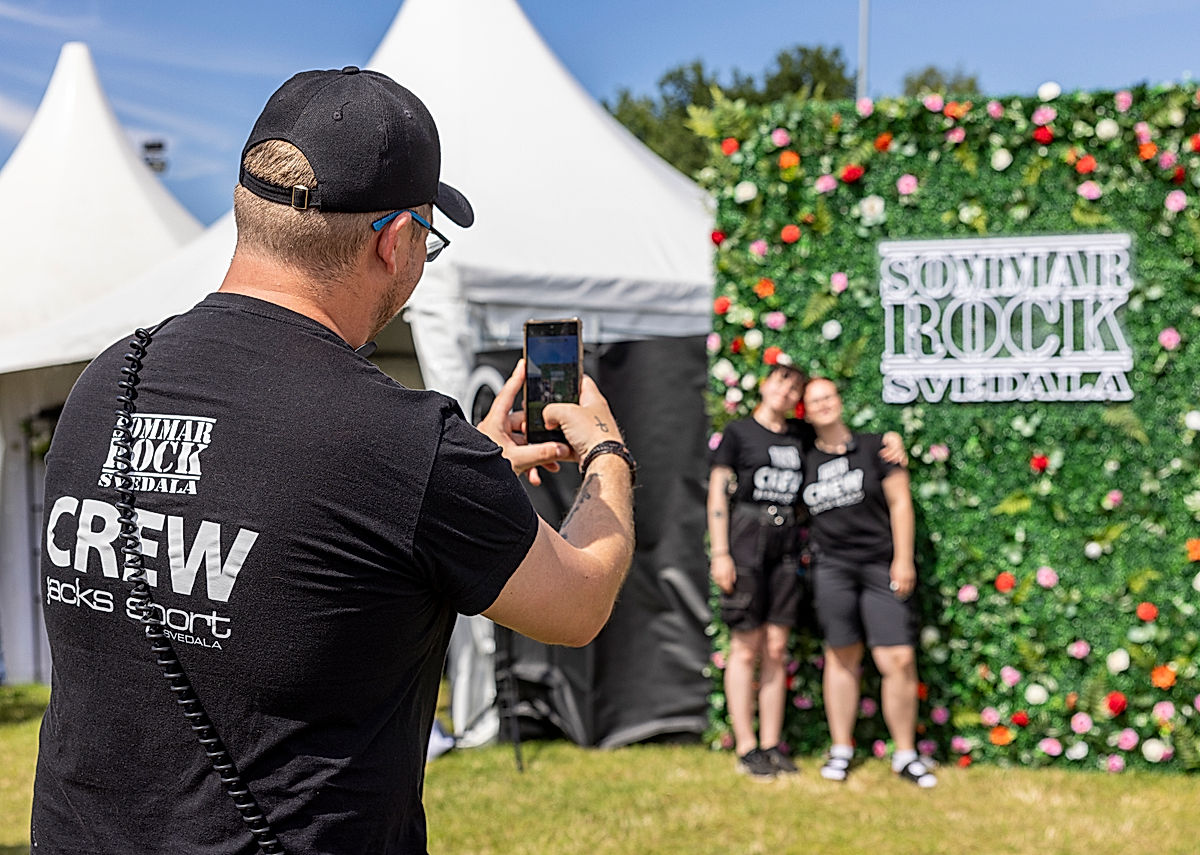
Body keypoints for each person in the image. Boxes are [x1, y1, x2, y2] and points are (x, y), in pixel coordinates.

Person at [31, 66, 636, 854]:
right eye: (428, 236)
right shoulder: (400, 440)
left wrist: (462, 474)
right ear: (393, 241)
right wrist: (607, 454)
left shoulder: (107, 378)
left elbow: (268, 507)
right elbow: (580, 600)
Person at [708, 362, 904, 780]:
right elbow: (717, 495)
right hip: (744, 542)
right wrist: (720, 552)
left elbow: (849, 445)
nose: (787, 392)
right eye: (782, 382)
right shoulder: (738, 434)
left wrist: (892, 440)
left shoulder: (799, 438)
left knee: (777, 648)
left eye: (795, 388)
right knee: (745, 647)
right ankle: (746, 747)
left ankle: (771, 744)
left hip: (786, 548)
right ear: (764, 385)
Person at [799, 377, 936, 788]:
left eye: (828, 396)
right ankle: (842, 749)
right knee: (842, 656)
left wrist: (903, 558)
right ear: (805, 412)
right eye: (814, 400)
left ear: (840, 401)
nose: (823, 404)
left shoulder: (878, 447)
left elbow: (900, 503)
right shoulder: (803, 457)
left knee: (898, 660)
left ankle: (906, 754)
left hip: (881, 566)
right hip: (832, 569)